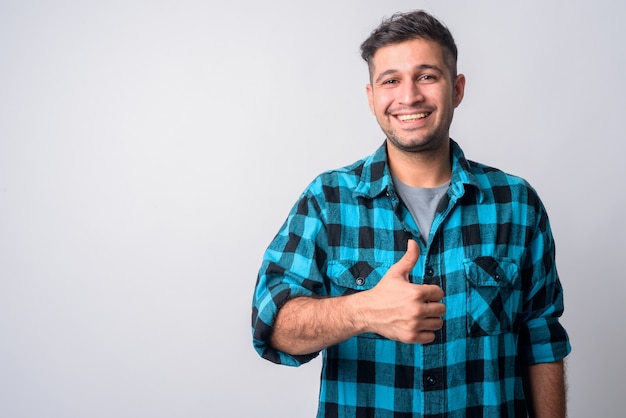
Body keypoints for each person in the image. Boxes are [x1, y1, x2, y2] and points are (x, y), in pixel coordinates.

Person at [251, 10, 570, 417]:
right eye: (391, 80)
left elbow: (542, 340)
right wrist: (363, 311)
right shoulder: (327, 200)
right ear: (371, 97)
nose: (409, 96)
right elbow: (270, 324)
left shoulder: (517, 204)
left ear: (457, 89)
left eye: (427, 76)